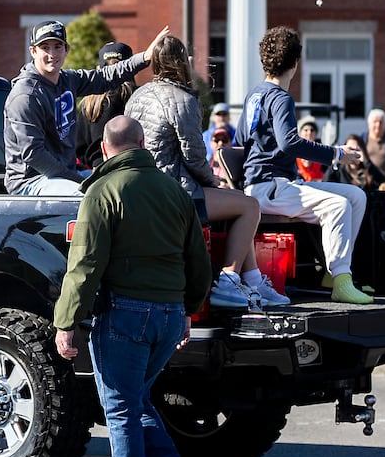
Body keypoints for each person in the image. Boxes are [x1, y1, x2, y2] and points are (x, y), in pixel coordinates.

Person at [53, 116, 212, 457]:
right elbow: (199, 261)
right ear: (143, 144)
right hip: (169, 314)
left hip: (124, 314)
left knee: (121, 408)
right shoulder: (174, 191)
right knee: (135, 400)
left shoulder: (103, 192)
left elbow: (85, 265)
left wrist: (67, 322)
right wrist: (187, 311)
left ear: (104, 149)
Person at [125, 34, 283, 309]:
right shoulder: (183, 99)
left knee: (235, 203)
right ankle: (229, 280)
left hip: (141, 187)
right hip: (174, 190)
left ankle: (254, 281)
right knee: (248, 206)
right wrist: (215, 182)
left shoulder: (138, 95)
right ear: (180, 61)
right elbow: (195, 158)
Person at [238, 26, 372, 305]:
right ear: (295, 64)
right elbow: (289, 143)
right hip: (269, 186)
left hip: (267, 185)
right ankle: (342, 281)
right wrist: (336, 153)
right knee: (337, 205)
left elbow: (240, 140)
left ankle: (333, 273)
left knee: (356, 196)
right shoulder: (280, 98)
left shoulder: (254, 96)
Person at [4, 19, 167, 196]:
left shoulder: (67, 80)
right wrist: (79, 180)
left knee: (122, 185)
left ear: (66, 49)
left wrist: (144, 57)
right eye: (45, 47)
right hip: (31, 181)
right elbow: (34, 155)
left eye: (57, 46)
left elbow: (105, 77)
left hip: (65, 173)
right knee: (88, 196)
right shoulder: (25, 96)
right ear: (33, 51)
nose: (52, 53)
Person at [76, 41, 136, 172]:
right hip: (130, 169)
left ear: (99, 69)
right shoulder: (135, 95)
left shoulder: (87, 102)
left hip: (95, 171)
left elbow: (78, 146)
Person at [294, 116, 327, 182]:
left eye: (312, 130)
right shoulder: (294, 152)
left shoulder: (322, 151)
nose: (309, 133)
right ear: (300, 133)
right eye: (306, 130)